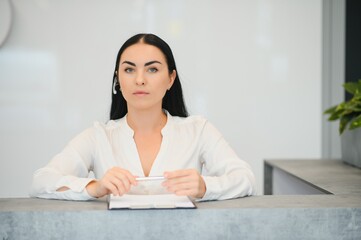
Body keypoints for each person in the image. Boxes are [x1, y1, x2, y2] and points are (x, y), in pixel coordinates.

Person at [30, 33, 256, 201]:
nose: (139, 80)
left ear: (170, 79)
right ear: (118, 80)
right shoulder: (98, 136)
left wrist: (205, 187)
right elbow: (41, 182)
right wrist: (94, 187)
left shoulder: (198, 130)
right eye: (129, 70)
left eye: (152, 69)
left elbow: (245, 179)